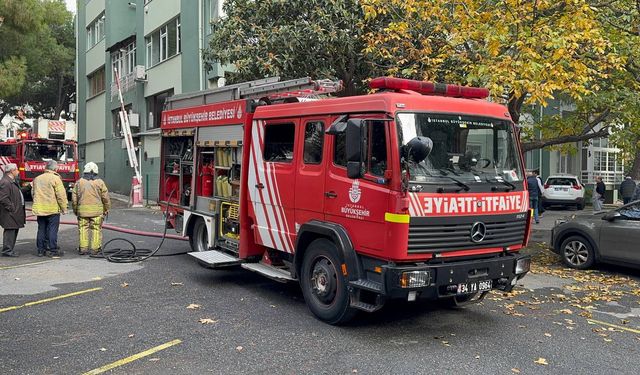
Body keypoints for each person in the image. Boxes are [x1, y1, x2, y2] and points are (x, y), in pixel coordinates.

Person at [72, 162, 111, 256]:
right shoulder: (100, 182)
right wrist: (107, 208)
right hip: (97, 212)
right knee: (96, 229)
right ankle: (95, 249)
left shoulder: (79, 182)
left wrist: (76, 210)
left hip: (82, 212)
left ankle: (83, 249)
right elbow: (105, 198)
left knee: (83, 229)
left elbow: (74, 199)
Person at [32, 160, 68, 257]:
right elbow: (61, 195)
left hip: (40, 209)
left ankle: (40, 250)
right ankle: (53, 250)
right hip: (52, 209)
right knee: (52, 230)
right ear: (55, 168)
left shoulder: (37, 179)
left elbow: (33, 193)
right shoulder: (56, 179)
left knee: (41, 229)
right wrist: (64, 208)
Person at [0, 164, 26, 257]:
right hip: (10, 212)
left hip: (14, 211)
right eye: (17, 170)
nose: (18, 171)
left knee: (13, 230)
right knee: (10, 231)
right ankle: (7, 250)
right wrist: (12, 208)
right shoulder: (5, 182)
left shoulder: (11, 181)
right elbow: (3, 198)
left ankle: (9, 249)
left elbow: (17, 192)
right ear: (12, 171)